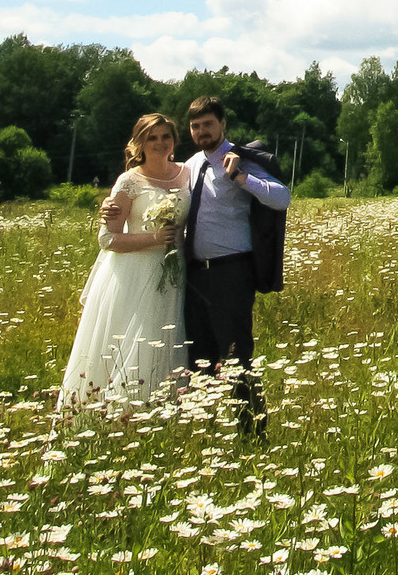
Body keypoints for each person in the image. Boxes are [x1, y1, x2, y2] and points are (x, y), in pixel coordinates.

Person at [58, 113, 192, 407]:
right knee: (137, 341)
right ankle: (121, 409)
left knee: (167, 339)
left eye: (165, 136)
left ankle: (164, 408)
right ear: (140, 143)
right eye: (152, 137)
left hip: (174, 276)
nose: (159, 143)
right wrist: (155, 239)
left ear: (174, 141)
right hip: (134, 275)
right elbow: (107, 239)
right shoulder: (129, 181)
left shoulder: (187, 174)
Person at [174, 95, 290, 432]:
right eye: (195, 126)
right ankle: (205, 429)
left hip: (231, 272)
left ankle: (251, 432)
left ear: (223, 124)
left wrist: (241, 178)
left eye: (208, 124)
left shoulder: (240, 160)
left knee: (236, 356)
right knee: (200, 356)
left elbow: (281, 197)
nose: (202, 131)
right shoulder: (192, 164)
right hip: (195, 274)